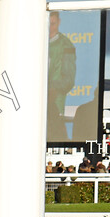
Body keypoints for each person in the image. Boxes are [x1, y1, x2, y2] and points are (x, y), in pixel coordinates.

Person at [47, 11, 76, 143]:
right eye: (48, 23)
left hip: (55, 106)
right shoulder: (35, 42)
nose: (50, 27)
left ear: (58, 22)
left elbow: (68, 80)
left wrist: (49, 86)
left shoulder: (66, 46)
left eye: (52, 23)